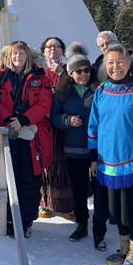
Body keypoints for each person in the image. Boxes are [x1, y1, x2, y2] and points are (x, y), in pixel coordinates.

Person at [89, 43, 133, 265]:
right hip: (107, 163)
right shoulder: (101, 91)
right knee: (116, 209)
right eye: (111, 63)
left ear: (129, 64)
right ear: (105, 66)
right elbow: (94, 127)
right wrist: (93, 157)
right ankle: (123, 246)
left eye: (120, 62)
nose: (115, 66)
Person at [0, 41, 53, 238]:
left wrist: (24, 119)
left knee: (29, 180)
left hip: (31, 137)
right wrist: (9, 119)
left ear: (27, 56)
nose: (18, 57)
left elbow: (44, 102)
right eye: (14, 54)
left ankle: (25, 220)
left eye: (21, 53)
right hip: (7, 134)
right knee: (7, 179)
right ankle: (8, 219)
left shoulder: (40, 77)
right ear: (8, 56)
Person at [51, 42, 99, 243]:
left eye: (86, 70)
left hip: (96, 150)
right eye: (78, 71)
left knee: (99, 189)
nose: (83, 74)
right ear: (70, 73)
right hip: (73, 148)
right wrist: (67, 121)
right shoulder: (63, 95)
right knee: (79, 189)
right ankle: (82, 223)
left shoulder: (98, 91)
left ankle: (100, 224)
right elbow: (54, 117)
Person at [38, 36, 74, 220]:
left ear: (63, 50)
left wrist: (62, 74)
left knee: (64, 165)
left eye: (57, 46)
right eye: (49, 46)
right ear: (43, 50)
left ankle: (68, 206)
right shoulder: (38, 70)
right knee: (46, 163)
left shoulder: (69, 70)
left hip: (63, 123)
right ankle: (46, 204)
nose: (53, 49)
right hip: (44, 124)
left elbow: (74, 90)